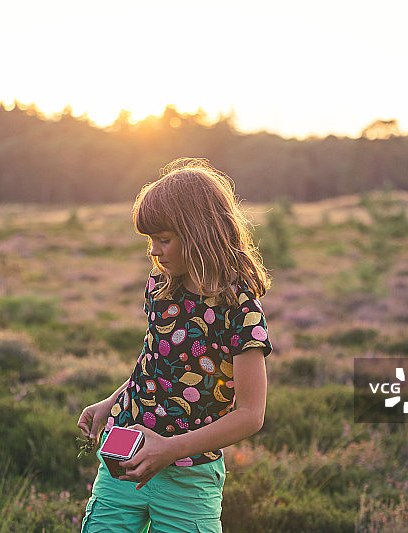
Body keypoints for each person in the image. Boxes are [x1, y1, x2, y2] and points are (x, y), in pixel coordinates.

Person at [78, 158, 272, 533]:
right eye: (150, 241)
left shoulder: (239, 310)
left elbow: (251, 414)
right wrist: (110, 403)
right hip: (125, 457)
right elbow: (156, 364)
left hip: (189, 478)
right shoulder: (162, 288)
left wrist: (170, 449)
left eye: (164, 239)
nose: (154, 251)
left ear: (199, 234)